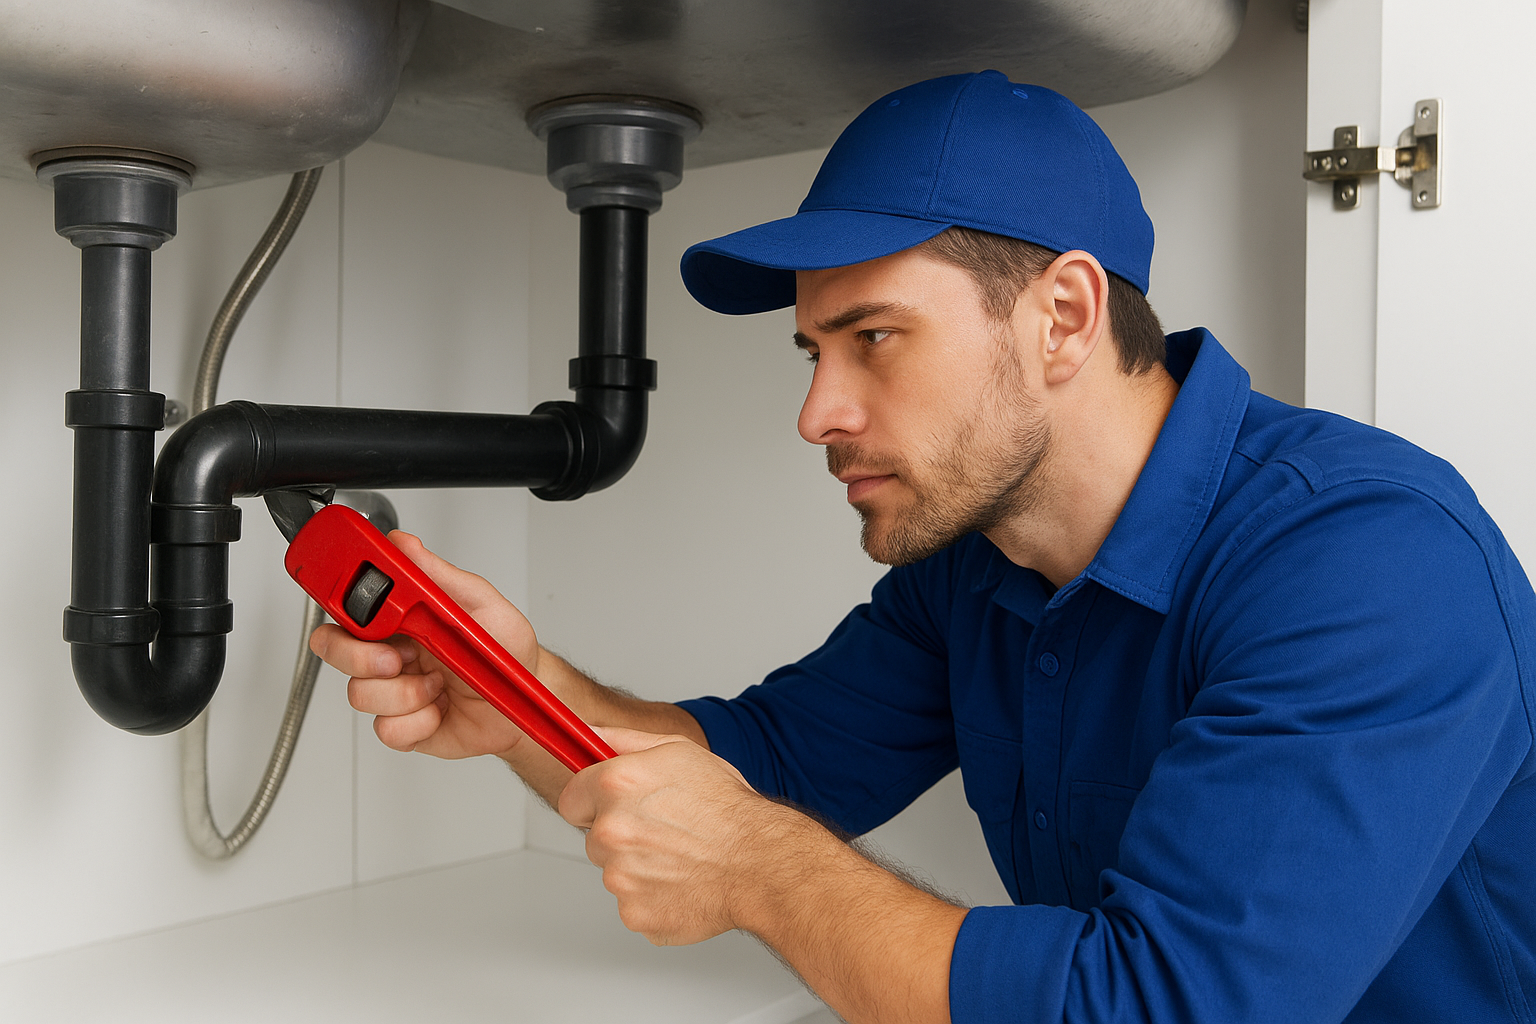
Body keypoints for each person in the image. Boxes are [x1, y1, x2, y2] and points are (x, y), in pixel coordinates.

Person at [311, 71, 1536, 1024]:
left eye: (875, 339)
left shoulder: (1366, 562)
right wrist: (516, 690)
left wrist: (760, 869)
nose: (817, 413)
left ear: (1062, 315)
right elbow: (765, 764)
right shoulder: (981, 563)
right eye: (814, 352)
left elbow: (1163, 1007)